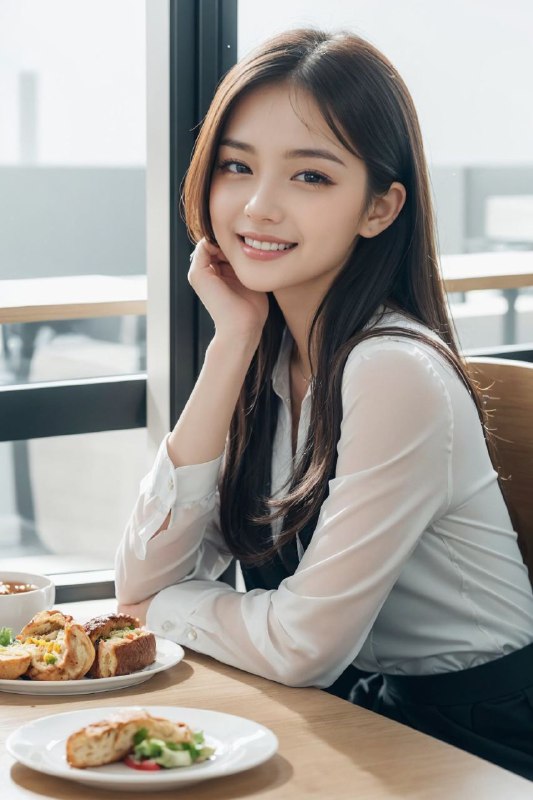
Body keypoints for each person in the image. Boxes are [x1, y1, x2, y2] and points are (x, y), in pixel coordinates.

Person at [115, 29, 533, 778]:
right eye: (236, 166)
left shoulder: (393, 371)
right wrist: (230, 343)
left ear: (379, 209)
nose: (258, 205)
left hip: (480, 738)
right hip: (352, 709)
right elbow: (142, 579)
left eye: (310, 177)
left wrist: (162, 610)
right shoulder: (264, 346)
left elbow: (304, 645)